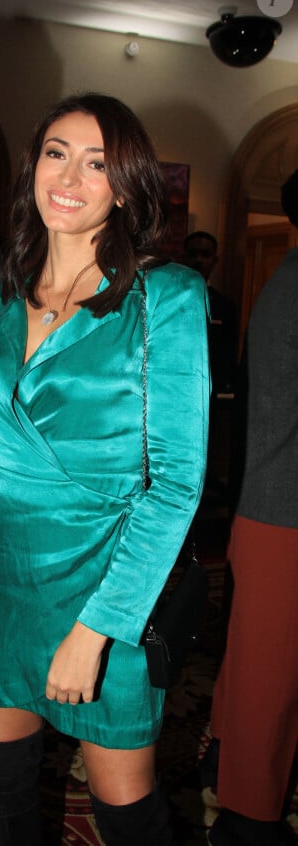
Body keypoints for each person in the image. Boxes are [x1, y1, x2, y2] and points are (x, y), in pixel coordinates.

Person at [0, 92, 210, 845]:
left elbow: (176, 484)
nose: (69, 175)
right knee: (3, 797)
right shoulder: (3, 289)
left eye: (97, 163)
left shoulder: (165, 295)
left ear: (126, 186)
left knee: (127, 813)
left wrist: (96, 629)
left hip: (107, 584)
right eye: (56, 152)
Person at [205, 170, 298, 846]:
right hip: (283, 510)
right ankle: (248, 823)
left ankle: (224, 764)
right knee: (271, 675)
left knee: (254, 666)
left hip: (270, 504)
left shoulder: (287, 279)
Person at [183, 231, 238, 394]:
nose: (198, 260)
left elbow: (228, 354)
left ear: (215, 260)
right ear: (184, 257)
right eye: (193, 254)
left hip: (211, 391)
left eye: (205, 254)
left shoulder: (225, 306)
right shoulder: (167, 299)